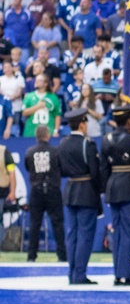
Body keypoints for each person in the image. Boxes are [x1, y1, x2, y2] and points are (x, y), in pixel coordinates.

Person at [100, 106, 130, 286]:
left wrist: (105, 189)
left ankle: (118, 273)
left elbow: (104, 168)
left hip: (113, 187)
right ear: (129, 121)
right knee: (128, 232)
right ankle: (125, 274)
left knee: (118, 232)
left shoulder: (106, 139)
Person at [57, 106, 102, 285]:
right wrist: (100, 190)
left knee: (72, 234)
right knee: (85, 235)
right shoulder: (87, 144)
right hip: (86, 190)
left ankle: (72, 272)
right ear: (82, 125)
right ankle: (80, 274)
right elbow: (95, 172)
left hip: (70, 190)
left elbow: (59, 170)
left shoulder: (63, 143)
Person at [24, 122, 66, 263]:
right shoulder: (55, 151)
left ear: (37, 136)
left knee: (34, 224)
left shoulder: (30, 152)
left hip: (36, 191)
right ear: (47, 136)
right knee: (58, 224)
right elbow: (61, 168)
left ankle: (31, 256)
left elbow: (28, 168)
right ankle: (62, 255)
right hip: (53, 190)